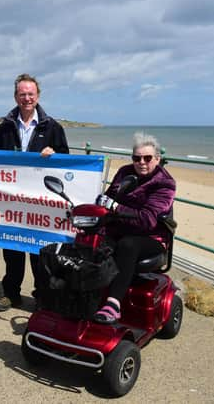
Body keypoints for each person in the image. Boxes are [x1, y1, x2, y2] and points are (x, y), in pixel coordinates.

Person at [0, 73, 69, 312]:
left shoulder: (52, 127)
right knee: (12, 251)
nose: (26, 98)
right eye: (22, 94)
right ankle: (11, 294)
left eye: (30, 94)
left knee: (41, 255)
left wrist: (56, 154)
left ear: (37, 96)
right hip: (11, 202)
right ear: (16, 96)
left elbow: (67, 160)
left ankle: (42, 297)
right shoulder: (6, 126)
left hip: (40, 202)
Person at [92, 132, 176, 324]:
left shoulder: (165, 183)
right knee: (89, 241)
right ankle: (84, 295)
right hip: (119, 230)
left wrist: (114, 207)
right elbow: (109, 196)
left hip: (151, 237)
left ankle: (113, 305)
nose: (142, 162)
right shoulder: (124, 173)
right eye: (137, 158)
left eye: (147, 158)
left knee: (127, 245)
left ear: (157, 159)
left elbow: (147, 220)